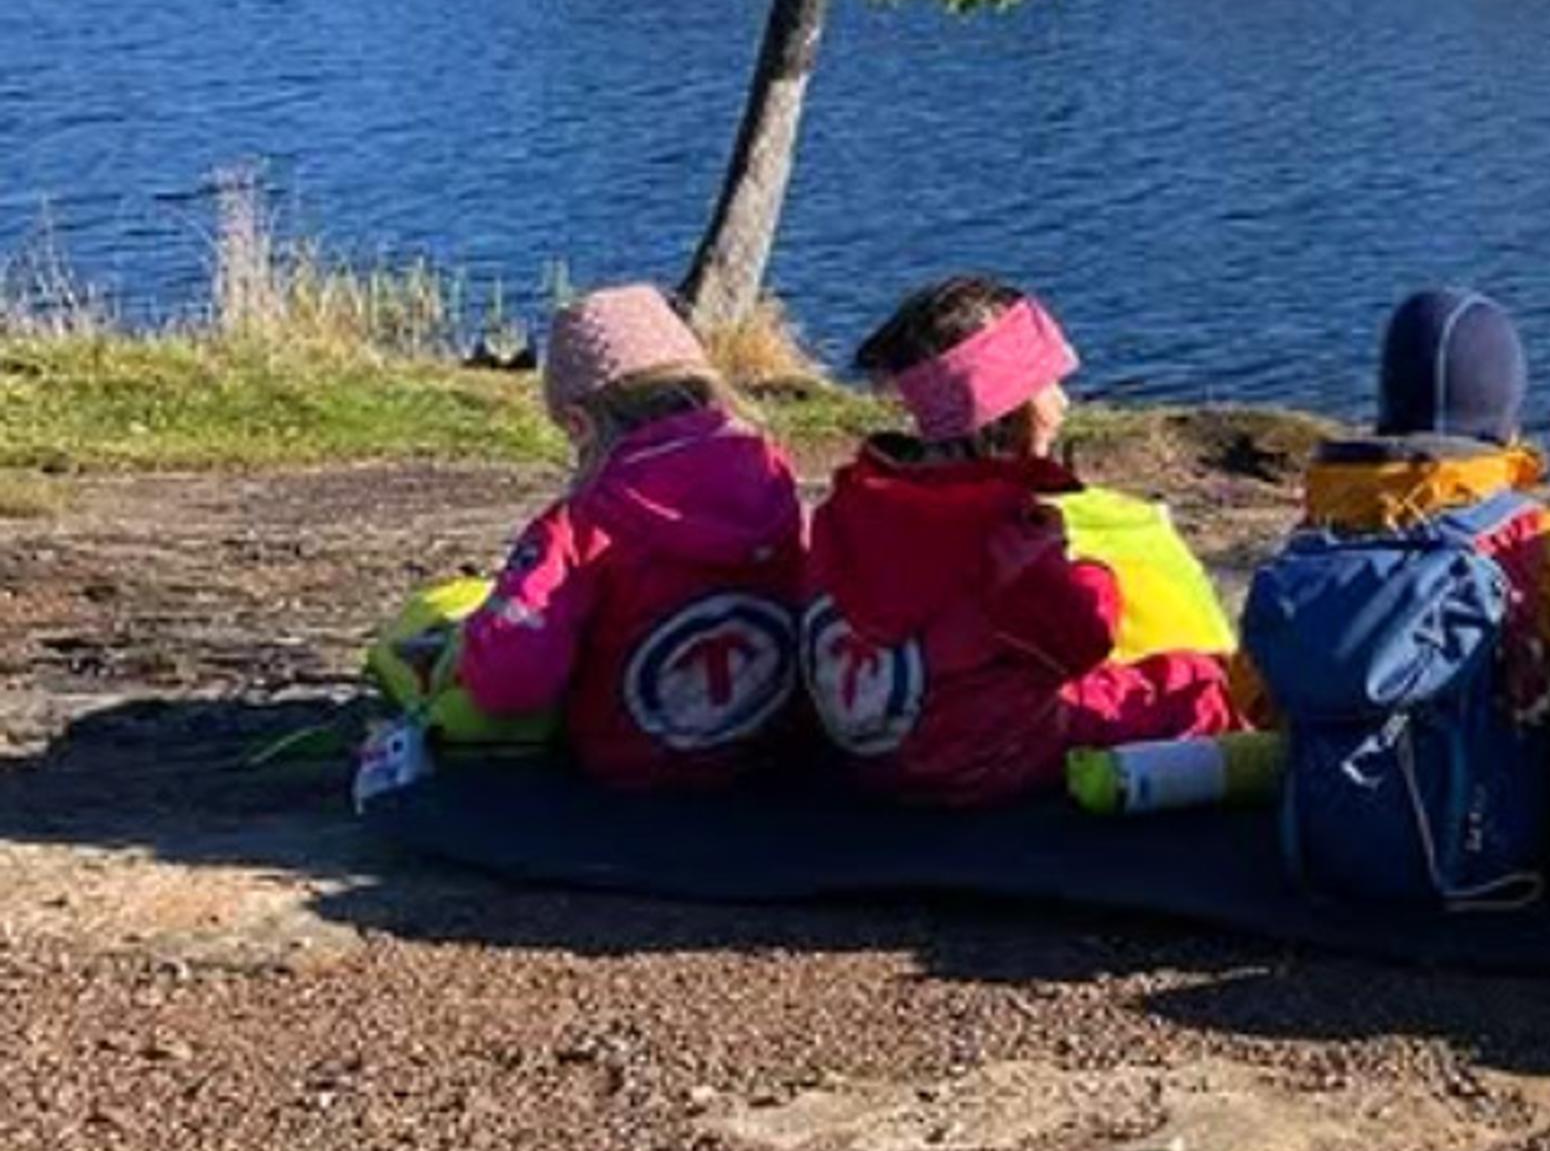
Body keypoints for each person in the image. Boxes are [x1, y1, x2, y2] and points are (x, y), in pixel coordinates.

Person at [803, 276, 1240, 807]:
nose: (1063, 399)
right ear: (1015, 409)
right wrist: (1094, 576)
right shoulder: (1004, 533)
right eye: (1050, 382)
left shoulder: (852, 506)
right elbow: (1083, 641)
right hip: (987, 759)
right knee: (1193, 685)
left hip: (877, 757)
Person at [1239, 288, 1550, 903]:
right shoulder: (1534, 540)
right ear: (1504, 416)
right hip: (1490, 844)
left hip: (1320, 845)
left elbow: (1253, 694)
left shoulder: (1319, 535)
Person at [387, 284, 807, 791]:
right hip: (777, 749)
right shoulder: (777, 483)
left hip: (636, 770)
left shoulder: (579, 529)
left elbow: (510, 683)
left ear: (580, 425)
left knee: (419, 649)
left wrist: (470, 643)